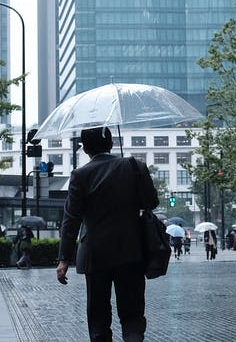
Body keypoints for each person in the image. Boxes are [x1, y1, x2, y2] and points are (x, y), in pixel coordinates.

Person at [56, 126, 158, 342]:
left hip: (95, 255)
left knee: (98, 318)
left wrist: (64, 259)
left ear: (85, 150)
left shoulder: (80, 175)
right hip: (131, 251)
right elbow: (151, 202)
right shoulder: (134, 166)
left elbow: (71, 219)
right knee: (132, 315)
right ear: (111, 144)